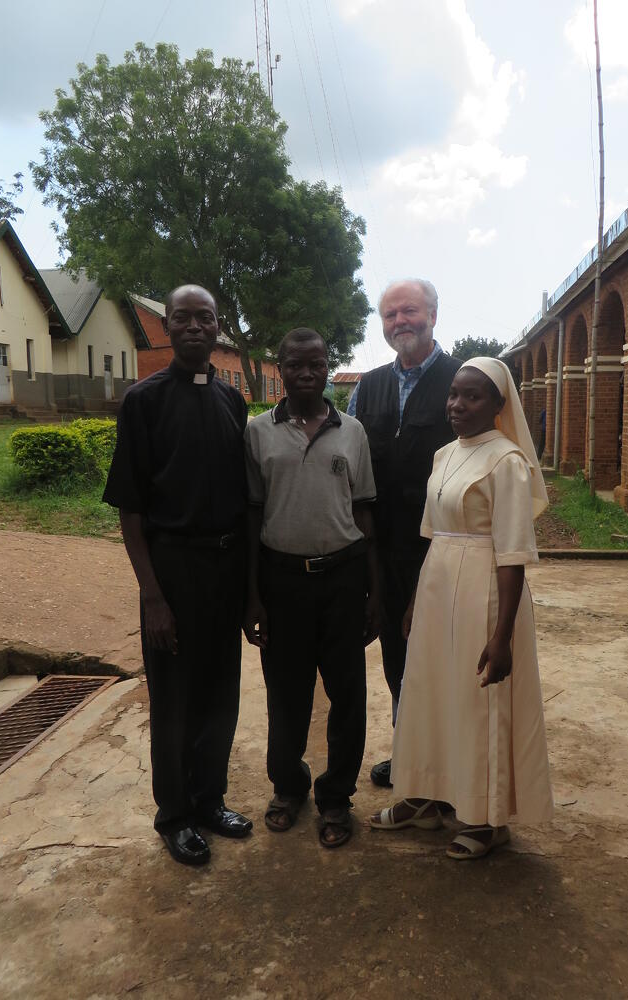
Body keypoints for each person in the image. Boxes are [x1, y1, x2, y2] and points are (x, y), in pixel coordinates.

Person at [370, 357, 553, 860]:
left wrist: (502, 634)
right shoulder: (444, 455)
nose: (457, 404)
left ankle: (484, 818)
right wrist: (413, 603)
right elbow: (432, 536)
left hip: (485, 590)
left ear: (498, 405)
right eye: (453, 394)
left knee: (477, 702)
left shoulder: (507, 461)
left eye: (472, 396)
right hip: (436, 583)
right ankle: (422, 796)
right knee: (426, 690)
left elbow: (513, 554)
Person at [103, 284, 252, 867]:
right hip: (173, 570)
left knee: (221, 693)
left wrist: (247, 591)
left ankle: (210, 800)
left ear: (219, 328)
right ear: (167, 326)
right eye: (183, 318)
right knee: (174, 700)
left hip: (226, 567)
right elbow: (131, 511)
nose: (194, 327)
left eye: (206, 318)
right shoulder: (143, 401)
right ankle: (175, 816)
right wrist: (153, 596)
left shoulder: (233, 402)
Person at [244, 328, 379, 849]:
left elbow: (365, 512)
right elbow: (253, 514)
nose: (306, 373)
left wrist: (376, 594)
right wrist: (252, 596)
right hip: (281, 583)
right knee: (286, 693)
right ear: (279, 368)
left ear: (329, 366)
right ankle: (289, 786)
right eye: (295, 365)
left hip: (343, 580)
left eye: (316, 364)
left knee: (347, 694)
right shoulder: (258, 432)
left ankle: (337, 798)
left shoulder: (353, 431)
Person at [349, 279, 460, 787]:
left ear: (434, 315)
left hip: (446, 551)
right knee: (397, 656)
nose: (400, 322)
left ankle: (449, 764)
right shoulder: (366, 389)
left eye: (409, 311)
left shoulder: (463, 382)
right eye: (390, 315)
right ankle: (410, 753)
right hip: (385, 550)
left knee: (444, 660)